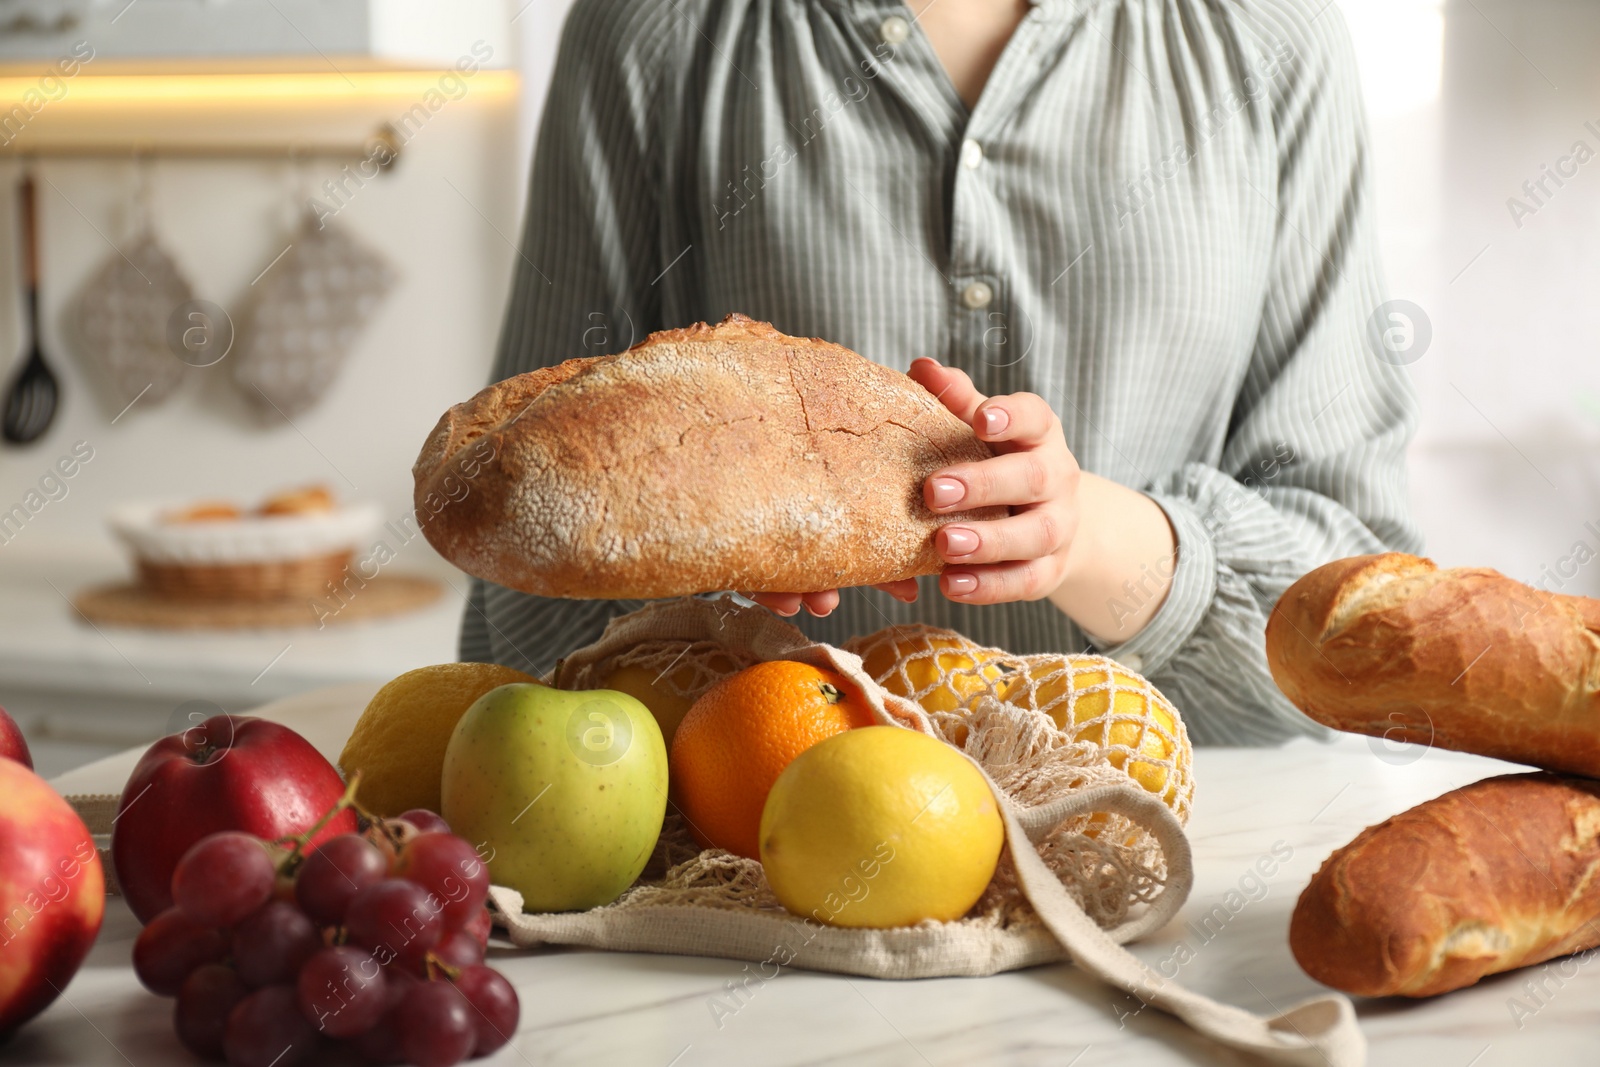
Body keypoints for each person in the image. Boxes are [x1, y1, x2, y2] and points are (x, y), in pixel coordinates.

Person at [459, 0, 1422, 744]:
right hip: (754, 866)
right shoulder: (654, 30)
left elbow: (1363, 627)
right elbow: (515, 558)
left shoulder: (1269, 38)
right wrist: (705, 559)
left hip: (1185, 868)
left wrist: (1083, 538)